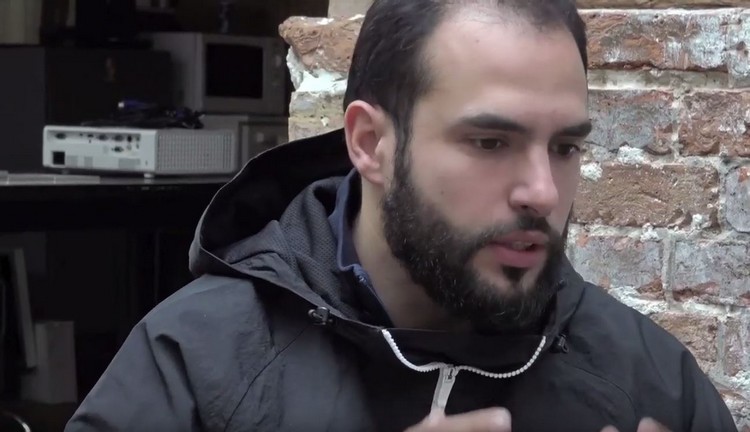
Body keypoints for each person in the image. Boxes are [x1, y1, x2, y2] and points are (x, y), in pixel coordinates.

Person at [64, 0, 738, 431]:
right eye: (490, 142)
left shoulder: (650, 381)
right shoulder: (197, 361)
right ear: (371, 143)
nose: (541, 191)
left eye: (564, 148)